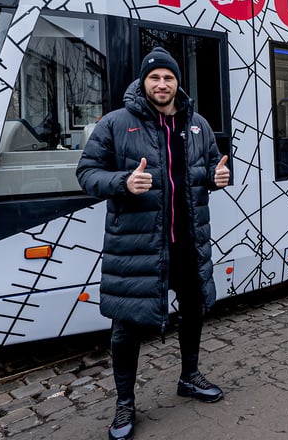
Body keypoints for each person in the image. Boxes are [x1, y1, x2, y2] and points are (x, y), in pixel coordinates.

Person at [77, 47, 230, 440]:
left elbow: (210, 167)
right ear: (144, 83)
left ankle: (189, 376)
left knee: (193, 308)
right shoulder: (116, 124)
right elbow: (87, 172)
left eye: (169, 78)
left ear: (178, 83)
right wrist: (122, 183)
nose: (162, 84)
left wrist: (216, 177)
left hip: (188, 241)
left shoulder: (197, 125)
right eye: (155, 78)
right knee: (126, 327)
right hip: (139, 246)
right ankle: (124, 404)